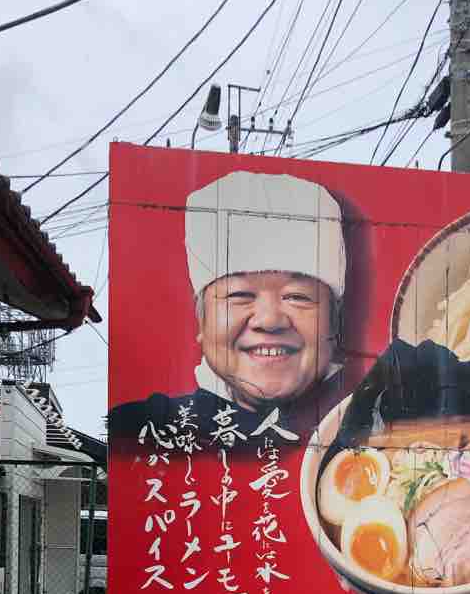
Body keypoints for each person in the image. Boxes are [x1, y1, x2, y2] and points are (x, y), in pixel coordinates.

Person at [109, 170, 348, 442]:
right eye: (239, 295)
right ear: (202, 319)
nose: (269, 320)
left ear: (334, 321)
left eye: (297, 296)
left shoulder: (382, 418)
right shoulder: (140, 433)